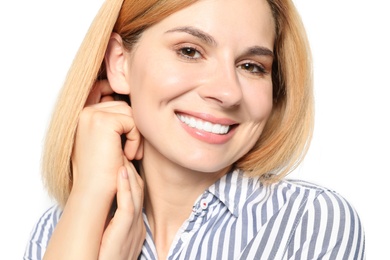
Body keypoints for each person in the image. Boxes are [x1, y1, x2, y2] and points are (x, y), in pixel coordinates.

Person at [24, 0, 365, 259]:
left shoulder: (307, 221)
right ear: (120, 63)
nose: (228, 91)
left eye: (251, 66)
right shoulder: (58, 229)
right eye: (189, 51)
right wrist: (90, 193)